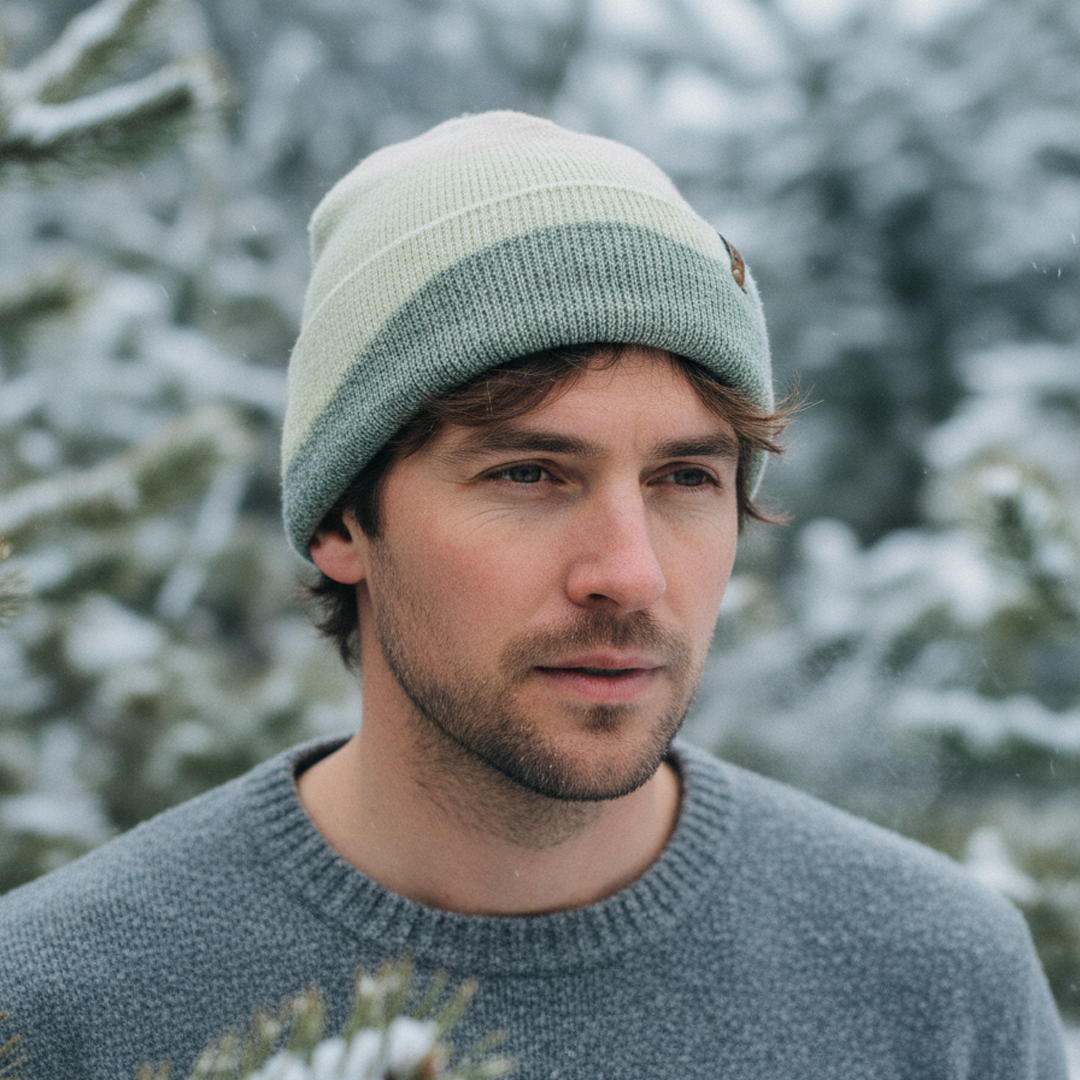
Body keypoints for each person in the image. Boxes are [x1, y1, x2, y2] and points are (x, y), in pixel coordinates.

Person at [0, 112, 1068, 1080]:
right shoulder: (59, 1007)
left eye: (686, 479)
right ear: (340, 520)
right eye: (529, 474)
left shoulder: (935, 983)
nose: (631, 572)